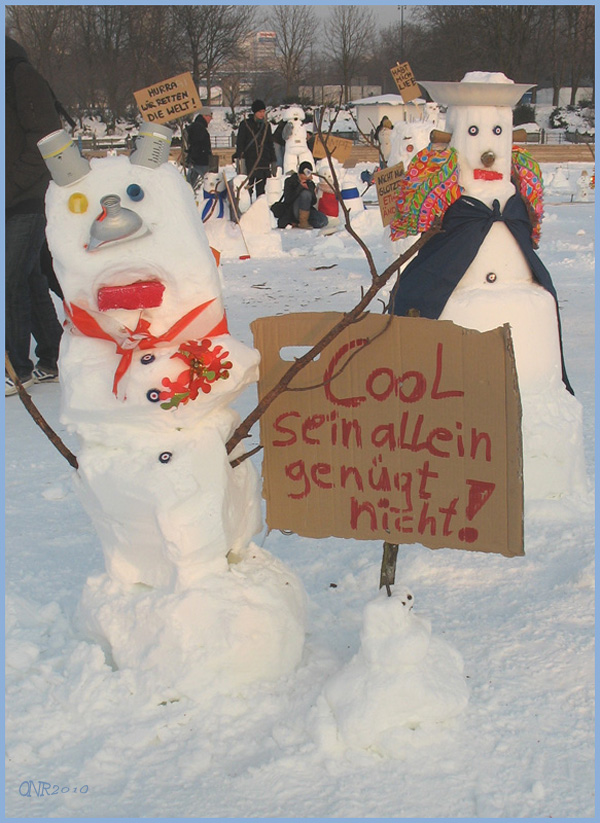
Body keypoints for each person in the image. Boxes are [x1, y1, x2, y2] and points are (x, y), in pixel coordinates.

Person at [5, 35, 63, 396]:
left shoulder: (19, 75)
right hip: (12, 197)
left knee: (8, 279)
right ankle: (53, 357)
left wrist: (10, 184)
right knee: (27, 278)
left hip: (26, 197)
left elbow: (46, 138)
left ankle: (16, 367)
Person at [233, 99, 276, 199]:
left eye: (263, 111)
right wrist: (240, 159)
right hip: (250, 161)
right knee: (247, 189)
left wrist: (273, 160)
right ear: (255, 112)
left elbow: (270, 143)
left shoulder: (266, 125)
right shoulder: (245, 125)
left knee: (261, 190)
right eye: (260, 111)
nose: (262, 114)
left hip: (264, 161)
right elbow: (240, 143)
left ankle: (259, 209)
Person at [273, 161, 328, 230]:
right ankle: (302, 222)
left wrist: (310, 190)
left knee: (323, 220)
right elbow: (288, 199)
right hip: (292, 210)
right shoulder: (290, 181)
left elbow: (313, 201)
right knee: (305, 194)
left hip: (306, 211)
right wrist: (299, 188)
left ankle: (298, 222)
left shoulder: (310, 184)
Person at [185, 106, 215, 189]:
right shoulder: (199, 128)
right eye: (209, 117)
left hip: (196, 160)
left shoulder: (197, 127)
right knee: (210, 183)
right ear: (204, 116)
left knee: (190, 183)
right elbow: (198, 144)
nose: (210, 119)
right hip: (201, 161)